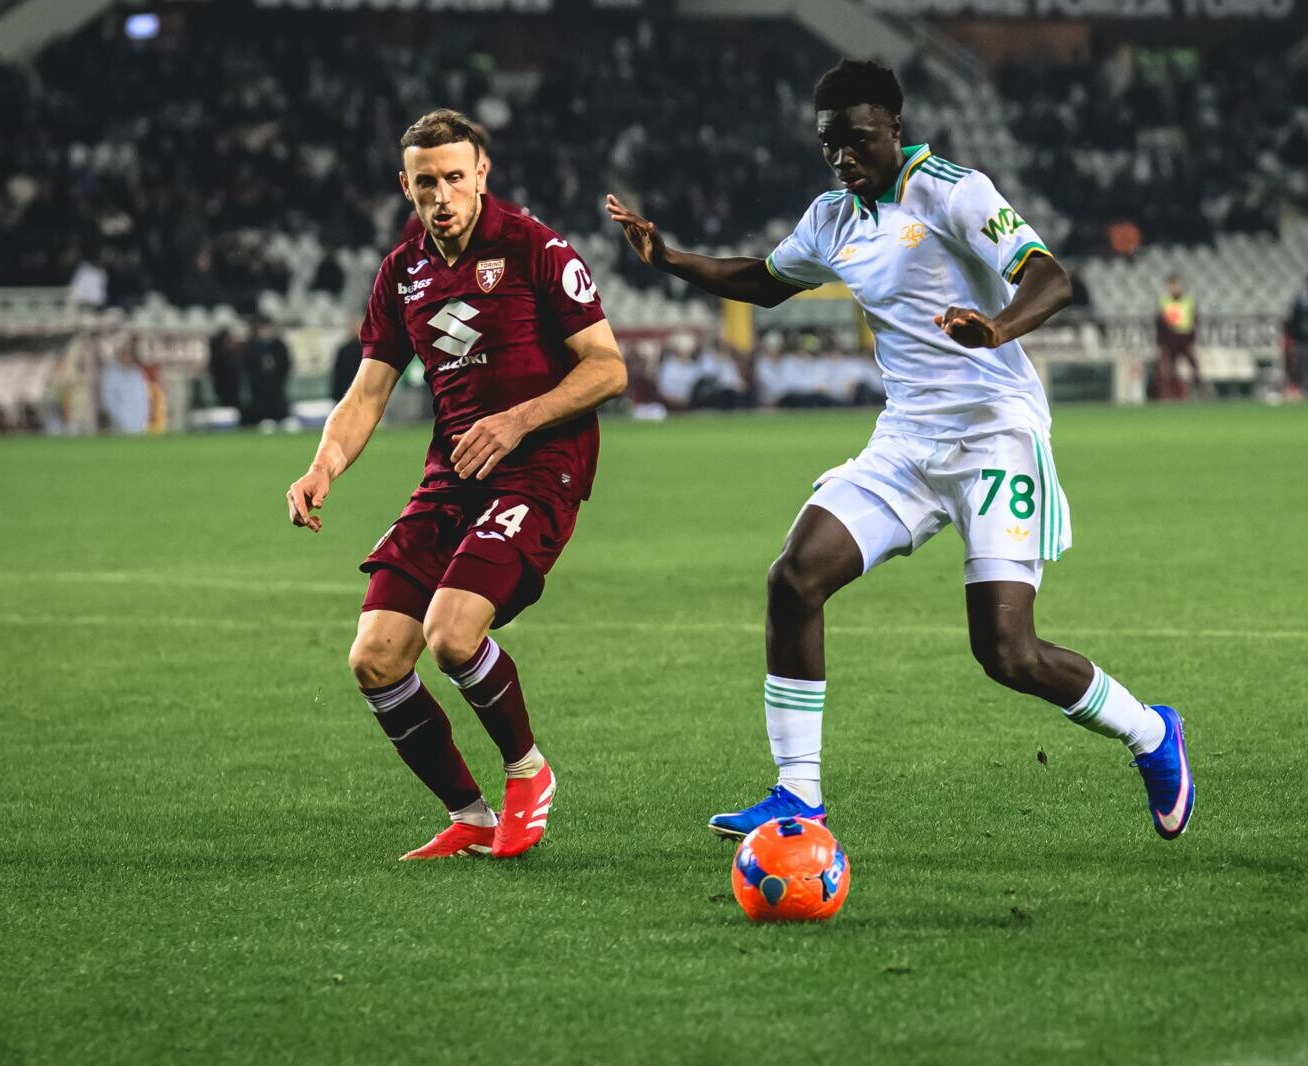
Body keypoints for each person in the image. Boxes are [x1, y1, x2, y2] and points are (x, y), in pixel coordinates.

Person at [606, 60, 1193, 844]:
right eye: (829, 145)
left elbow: (1052, 278)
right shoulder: (832, 218)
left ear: (894, 128)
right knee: (794, 577)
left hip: (994, 434)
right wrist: (671, 259)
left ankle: (1151, 732)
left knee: (1007, 652)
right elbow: (767, 280)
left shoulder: (954, 191)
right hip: (906, 440)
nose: (842, 157)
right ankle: (798, 794)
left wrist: (997, 328)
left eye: (856, 140)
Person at [286, 109, 627, 861]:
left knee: (450, 633)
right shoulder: (401, 273)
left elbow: (608, 368)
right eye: (426, 183)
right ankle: (470, 816)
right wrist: (323, 465)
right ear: (404, 186)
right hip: (455, 475)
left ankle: (528, 772)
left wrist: (517, 420)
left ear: (481, 174)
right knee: (376, 656)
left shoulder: (535, 248)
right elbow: (368, 392)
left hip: (539, 467)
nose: (441, 196)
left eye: (454, 178)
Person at [1155, 273, 1201, 400]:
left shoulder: (1188, 301)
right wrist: (1159, 344)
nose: (1173, 288)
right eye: (1170, 286)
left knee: (1194, 368)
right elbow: (1159, 324)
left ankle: (1199, 393)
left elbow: (1194, 322)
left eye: (1175, 285)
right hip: (1170, 340)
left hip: (1185, 339)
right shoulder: (1164, 301)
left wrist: (1193, 342)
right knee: (1169, 370)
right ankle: (1169, 396)